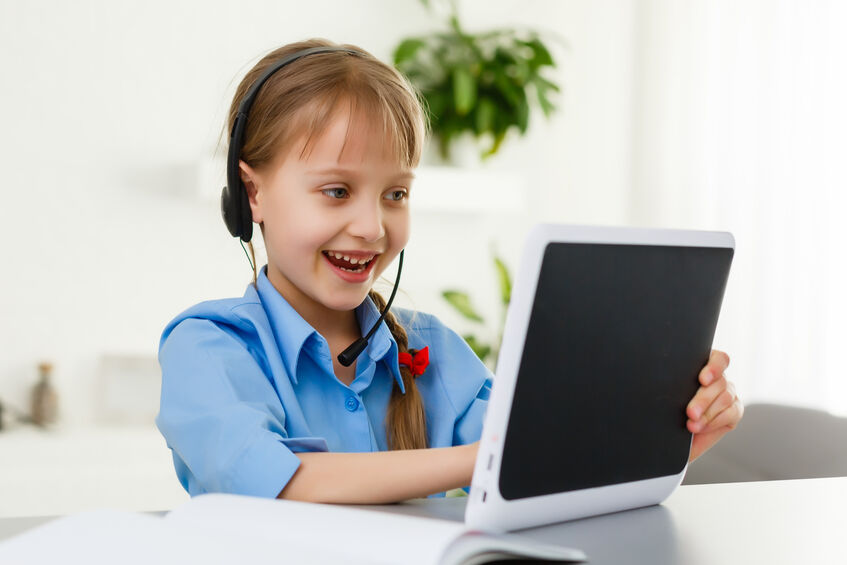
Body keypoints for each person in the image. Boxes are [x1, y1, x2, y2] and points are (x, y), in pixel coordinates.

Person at [156, 38, 743, 505]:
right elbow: (288, 481)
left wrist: (673, 432)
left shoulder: (433, 349)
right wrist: (493, 456)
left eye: (395, 193)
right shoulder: (209, 347)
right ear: (251, 194)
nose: (371, 226)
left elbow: (556, 470)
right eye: (337, 191)